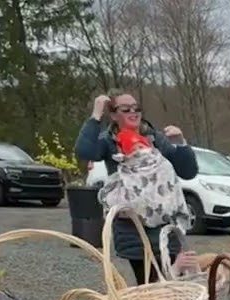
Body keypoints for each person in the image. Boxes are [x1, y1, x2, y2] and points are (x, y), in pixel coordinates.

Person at [75, 90, 198, 286]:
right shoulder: (109, 141)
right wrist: (96, 115)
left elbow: (188, 171)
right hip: (134, 229)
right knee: (150, 282)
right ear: (114, 115)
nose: (133, 112)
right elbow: (84, 151)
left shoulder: (155, 138)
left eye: (136, 108)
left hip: (166, 225)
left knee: (173, 282)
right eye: (125, 109)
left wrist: (181, 144)